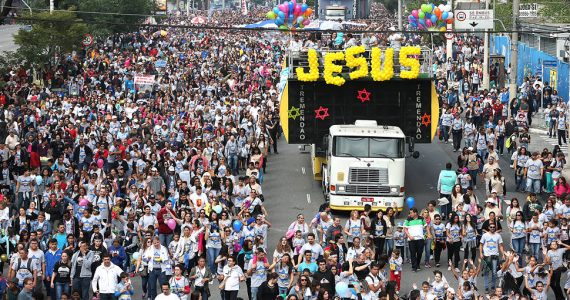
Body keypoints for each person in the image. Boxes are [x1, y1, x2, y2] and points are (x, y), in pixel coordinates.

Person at [480, 223, 504, 293]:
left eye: (494, 227)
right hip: (487, 256)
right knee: (486, 272)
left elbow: (500, 246)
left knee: (494, 272)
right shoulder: (485, 235)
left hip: (495, 257)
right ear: (488, 227)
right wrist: (481, 253)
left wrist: (503, 254)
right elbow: (481, 245)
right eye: (491, 227)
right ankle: (486, 287)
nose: (492, 228)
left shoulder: (498, 236)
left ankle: (493, 287)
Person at [403, 208, 427, 272]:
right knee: (413, 253)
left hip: (420, 239)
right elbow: (405, 229)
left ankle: (418, 264)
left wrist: (428, 234)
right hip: (411, 239)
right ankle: (414, 267)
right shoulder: (408, 219)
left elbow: (426, 226)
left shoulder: (421, 218)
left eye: (411, 212)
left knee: (420, 253)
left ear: (415, 213)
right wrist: (409, 236)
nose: (410, 214)